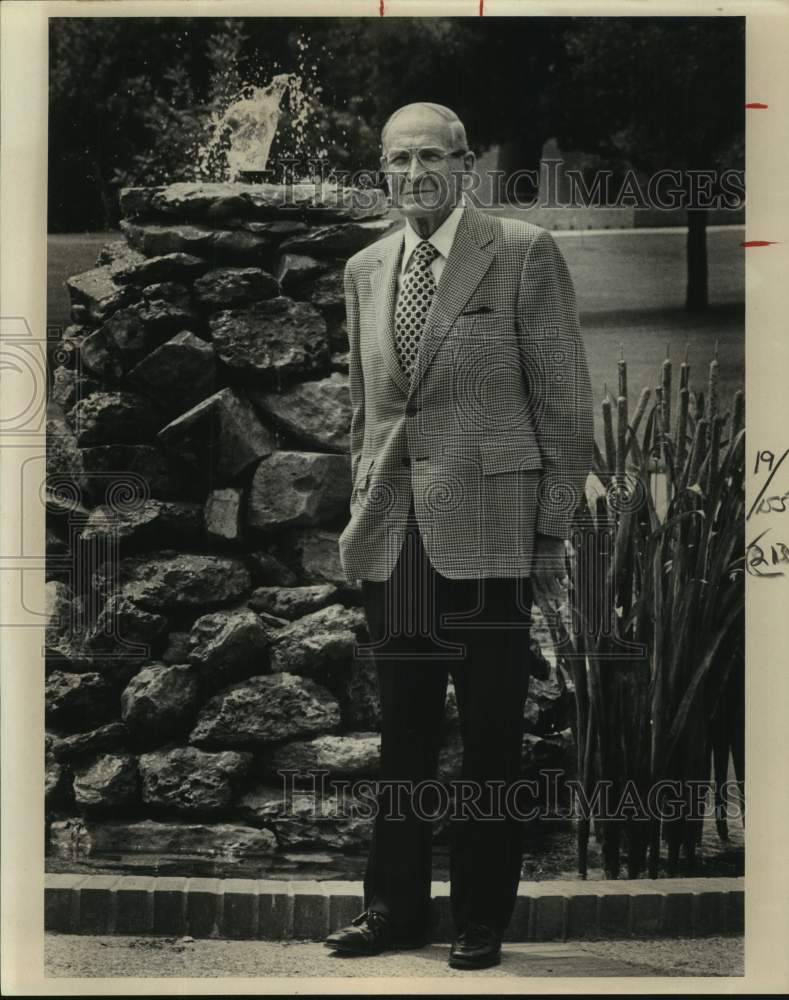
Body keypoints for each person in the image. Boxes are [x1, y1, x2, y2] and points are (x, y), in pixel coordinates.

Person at [326, 102, 594, 969]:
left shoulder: (520, 251)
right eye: (398, 161)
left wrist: (550, 531)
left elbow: (560, 400)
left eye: (430, 158)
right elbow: (369, 412)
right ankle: (392, 910)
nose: (414, 175)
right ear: (382, 170)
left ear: (465, 163)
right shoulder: (366, 268)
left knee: (489, 732)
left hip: (491, 527)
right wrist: (359, 499)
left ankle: (481, 917)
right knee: (401, 730)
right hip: (396, 533)